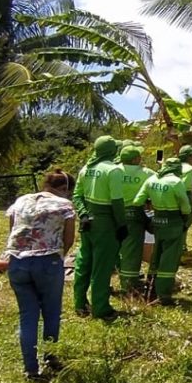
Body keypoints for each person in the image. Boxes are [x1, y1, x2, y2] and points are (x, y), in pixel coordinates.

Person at [3, 169, 75, 381]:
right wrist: (59, 256)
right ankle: (50, 356)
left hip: (16, 262)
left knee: (28, 315)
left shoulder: (22, 200)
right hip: (47, 261)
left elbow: (12, 231)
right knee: (51, 312)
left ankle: (31, 369)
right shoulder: (64, 205)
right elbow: (68, 237)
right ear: (64, 189)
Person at [72, 135, 126, 320]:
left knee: (83, 262)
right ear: (113, 151)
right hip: (106, 223)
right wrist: (122, 225)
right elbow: (117, 202)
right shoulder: (113, 171)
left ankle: (79, 303)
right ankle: (101, 308)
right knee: (102, 267)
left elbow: (77, 196)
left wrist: (83, 214)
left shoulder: (86, 168)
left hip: (87, 222)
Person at [135, 156, 192, 305]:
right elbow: (185, 207)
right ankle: (164, 295)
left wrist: (147, 219)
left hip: (157, 221)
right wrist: (186, 221)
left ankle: (150, 288)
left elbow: (137, 201)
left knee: (157, 255)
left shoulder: (152, 180)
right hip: (173, 223)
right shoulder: (176, 182)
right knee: (169, 259)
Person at [118, 144, 153, 294]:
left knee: (116, 248)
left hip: (113, 213)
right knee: (132, 249)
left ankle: (118, 276)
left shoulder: (113, 171)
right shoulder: (147, 173)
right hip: (134, 214)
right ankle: (129, 285)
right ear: (137, 158)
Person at [177, 144, 192, 255]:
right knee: (186, 222)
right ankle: (181, 247)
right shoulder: (189, 169)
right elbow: (185, 187)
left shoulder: (174, 166)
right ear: (189, 157)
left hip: (171, 196)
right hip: (184, 195)